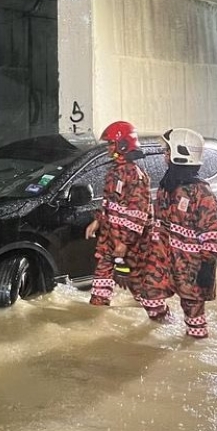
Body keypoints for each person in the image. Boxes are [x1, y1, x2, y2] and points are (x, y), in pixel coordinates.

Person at [138, 128, 217, 338]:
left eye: (168, 150)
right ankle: (168, 327)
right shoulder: (167, 186)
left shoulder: (201, 192)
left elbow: (212, 232)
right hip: (163, 259)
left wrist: (206, 266)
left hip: (190, 266)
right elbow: (157, 221)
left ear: (180, 152)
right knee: (149, 297)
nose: (165, 155)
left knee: (194, 319)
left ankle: (194, 350)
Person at [85, 120, 152, 307]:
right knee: (100, 285)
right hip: (109, 239)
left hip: (131, 243)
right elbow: (108, 203)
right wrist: (97, 222)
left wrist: (125, 242)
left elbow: (138, 213)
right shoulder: (114, 172)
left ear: (123, 145)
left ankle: (159, 318)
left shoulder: (135, 175)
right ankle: (96, 315)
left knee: (139, 288)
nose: (108, 148)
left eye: (111, 144)